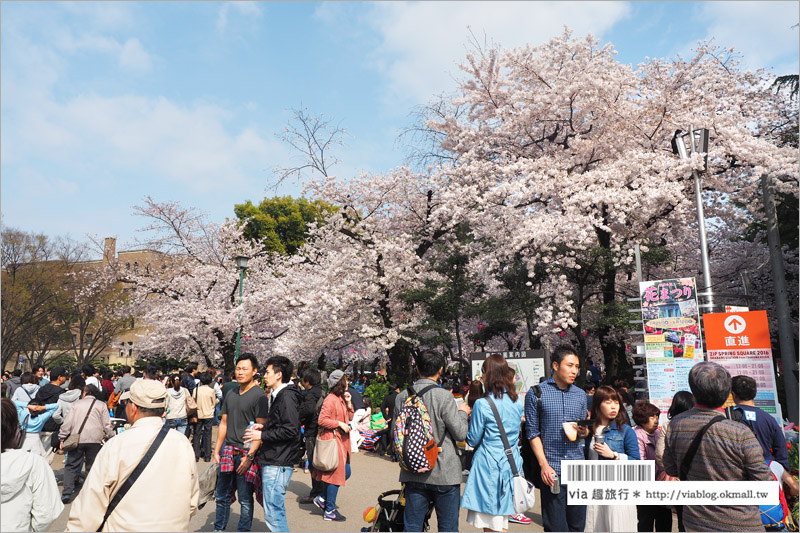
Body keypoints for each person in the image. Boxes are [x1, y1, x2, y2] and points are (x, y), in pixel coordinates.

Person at [66, 379, 199, 531]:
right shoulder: (182, 443)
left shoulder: (117, 445)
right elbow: (192, 501)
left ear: (133, 408)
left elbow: (90, 506)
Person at [663, 362, 773, 532]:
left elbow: (671, 468)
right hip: (741, 523)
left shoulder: (676, 424)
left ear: (694, 392)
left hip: (695, 522)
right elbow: (765, 485)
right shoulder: (739, 432)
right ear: (728, 393)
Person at [393, 350, 471, 532]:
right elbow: (460, 433)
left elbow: (395, 435)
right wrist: (462, 413)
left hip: (412, 470)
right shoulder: (444, 396)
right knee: (448, 527)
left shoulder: (402, 397)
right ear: (441, 370)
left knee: (412, 527)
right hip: (444, 471)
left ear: (417, 368)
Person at [525, 345, 589, 532]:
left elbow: (582, 433)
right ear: (555, 365)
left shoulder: (580, 395)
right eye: (570, 365)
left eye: (577, 366)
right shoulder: (536, 393)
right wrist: (544, 465)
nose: (574, 371)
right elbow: (532, 433)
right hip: (552, 469)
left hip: (578, 468)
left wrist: (584, 430)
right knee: (555, 527)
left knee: (578, 526)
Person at [461, 354, 523, 532]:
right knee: (501, 518)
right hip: (511, 463)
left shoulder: (482, 404)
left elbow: (472, 439)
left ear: (489, 374)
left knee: (490, 521)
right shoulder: (516, 401)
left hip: (489, 464)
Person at [245, 355, 303, 532]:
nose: (265, 375)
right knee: (274, 510)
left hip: (278, 460)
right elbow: (283, 424)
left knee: (273, 512)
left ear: (279, 374)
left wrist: (262, 436)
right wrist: (265, 426)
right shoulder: (282, 395)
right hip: (277, 458)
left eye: (268, 372)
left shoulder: (286, 397)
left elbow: (290, 430)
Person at [213, 354, 268, 533]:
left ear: (254, 371)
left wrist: (250, 456)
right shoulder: (231, 393)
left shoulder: (259, 396)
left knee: (245, 498)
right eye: (238, 368)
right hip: (228, 451)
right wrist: (217, 450)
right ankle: (218, 528)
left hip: (246, 453)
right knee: (221, 495)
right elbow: (224, 423)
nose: (240, 372)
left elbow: (260, 429)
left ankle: (243, 530)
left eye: (245, 369)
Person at [582, 386, 640, 532]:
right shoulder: (589, 431)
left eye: (616, 402)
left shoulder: (625, 431)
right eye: (608, 402)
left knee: (618, 527)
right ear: (598, 404)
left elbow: (637, 463)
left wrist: (614, 456)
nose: (613, 406)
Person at [1, 398, 63, 532]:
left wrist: (28, 406)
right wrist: (41, 408)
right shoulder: (35, 463)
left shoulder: (24, 416)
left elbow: (15, 403)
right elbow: (47, 513)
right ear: (13, 429)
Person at [731, 375, 798, 498]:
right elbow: (781, 452)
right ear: (755, 394)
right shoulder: (769, 419)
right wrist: (782, 475)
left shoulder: (728, 417)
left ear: (733, 394)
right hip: (767, 476)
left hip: (737, 477)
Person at [58, 384, 115, 504]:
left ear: (85, 393)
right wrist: (112, 436)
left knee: (71, 466)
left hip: (77, 439)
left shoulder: (76, 404)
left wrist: (62, 437)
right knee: (92, 467)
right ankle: (90, 493)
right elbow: (107, 424)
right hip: (95, 440)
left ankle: (67, 493)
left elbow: (68, 423)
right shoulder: (101, 405)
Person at [312, 370, 355, 522]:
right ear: (340, 382)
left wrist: (349, 404)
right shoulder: (330, 399)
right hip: (333, 441)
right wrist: (339, 424)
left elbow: (350, 417)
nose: (348, 382)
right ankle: (329, 509)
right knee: (336, 475)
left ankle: (323, 499)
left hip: (341, 442)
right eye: (346, 380)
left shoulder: (341, 398)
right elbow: (322, 420)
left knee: (344, 472)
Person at [654, 390, 694, 531]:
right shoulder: (700, 425)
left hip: (675, 480)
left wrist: (673, 471)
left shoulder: (668, 426)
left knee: (677, 516)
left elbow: (659, 455)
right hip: (698, 479)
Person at [633, 400, 672, 532]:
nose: (656, 420)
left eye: (657, 417)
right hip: (646, 485)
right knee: (646, 520)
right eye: (652, 417)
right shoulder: (637, 435)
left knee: (664, 519)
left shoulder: (657, 434)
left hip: (660, 483)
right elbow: (640, 460)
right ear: (642, 418)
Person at [298, 368, 326, 505]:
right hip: (322, 432)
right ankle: (322, 491)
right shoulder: (323, 392)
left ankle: (316, 493)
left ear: (307, 381)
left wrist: (298, 417)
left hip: (312, 432)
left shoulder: (310, 395)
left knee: (313, 464)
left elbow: (308, 410)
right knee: (321, 463)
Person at [193, 372, 218, 462]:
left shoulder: (196, 390)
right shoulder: (211, 391)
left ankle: (196, 455)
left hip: (198, 413)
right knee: (208, 435)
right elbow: (214, 402)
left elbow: (193, 401)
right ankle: (207, 456)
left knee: (196, 435)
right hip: (208, 414)